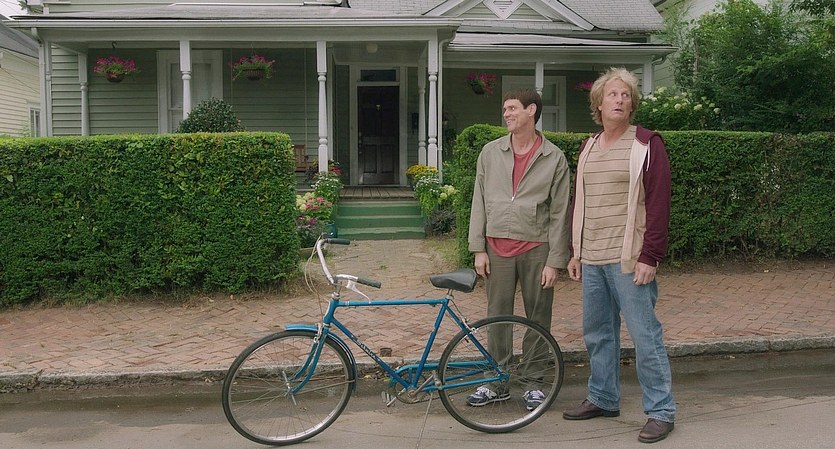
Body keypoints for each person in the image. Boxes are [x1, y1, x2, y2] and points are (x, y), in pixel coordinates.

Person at [561, 67, 675, 443]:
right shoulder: (589, 146)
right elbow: (580, 201)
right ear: (598, 103)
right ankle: (603, 398)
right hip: (592, 257)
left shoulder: (646, 144)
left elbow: (658, 204)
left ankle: (661, 411)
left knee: (645, 336)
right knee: (598, 334)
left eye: (626, 95)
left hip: (629, 259)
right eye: (612, 94)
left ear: (632, 104)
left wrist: (650, 256)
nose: (620, 100)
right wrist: (575, 251)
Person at [467, 88, 571, 411]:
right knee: (496, 316)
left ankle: (533, 382)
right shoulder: (490, 152)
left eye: (512, 108)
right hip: (496, 248)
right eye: (505, 109)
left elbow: (560, 212)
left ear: (531, 111)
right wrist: (478, 248)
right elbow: (479, 201)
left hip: (537, 248)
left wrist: (555, 260)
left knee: (538, 317)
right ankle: (496, 381)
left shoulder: (553, 157)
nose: (506, 114)